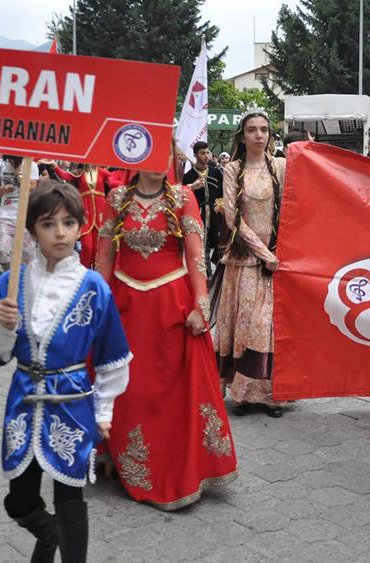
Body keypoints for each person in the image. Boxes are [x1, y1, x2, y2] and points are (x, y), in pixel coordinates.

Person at [0, 180, 131, 563]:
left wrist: (104, 411)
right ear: (32, 230)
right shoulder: (9, 285)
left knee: (69, 495)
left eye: (68, 222)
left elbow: (113, 355)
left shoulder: (94, 287)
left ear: (80, 226)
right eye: (48, 224)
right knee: (19, 499)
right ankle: (47, 536)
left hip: (72, 403)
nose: (60, 232)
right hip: (23, 401)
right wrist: (5, 328)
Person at [97, 167, 238, 511]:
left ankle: (179, 468)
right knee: (131, 387)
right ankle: (126, 460)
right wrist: (96, 304)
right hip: (125, 308)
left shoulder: (182, 197)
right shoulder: (117, 199)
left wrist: (200, 307)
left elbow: (196, 256)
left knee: (174, 391)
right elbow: (104, 257)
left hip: (172, 308)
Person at [216, 111, 286, 418]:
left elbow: (296, 205)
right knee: (245, 325)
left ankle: (271, 394)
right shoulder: (233, 169)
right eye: (252, 130)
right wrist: (264, 254)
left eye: (264, 130)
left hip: (278, 259)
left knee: (268, 326)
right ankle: (243, 395)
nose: (259, 135)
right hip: (245, 260)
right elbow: (233, 218)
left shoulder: (280, 166)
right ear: (242, 136)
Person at [50, 162, 110, 269]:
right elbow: (65, 176)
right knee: (87, 246)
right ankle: (82, 270)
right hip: (86, 212)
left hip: (100, 212)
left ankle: (97, 272)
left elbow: (116, 180)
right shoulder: (79, 172)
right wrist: (55, 166)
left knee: (98, 248)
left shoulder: (102, 172)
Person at [182, 141, 224, 270]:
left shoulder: (216, 173)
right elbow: (183, 196)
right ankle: (204, 271)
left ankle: (214, 270)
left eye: (207, 153)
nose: (206, 156)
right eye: (202, 153)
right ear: (195, 155)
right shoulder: (189, 176)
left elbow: (223, 192)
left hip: (214, 213)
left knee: (215, 243)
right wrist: (192, 187)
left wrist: (221, 207)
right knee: (200, 243)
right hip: (198, 213)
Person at [0, 155, 40, 271]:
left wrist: (19, 174)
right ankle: (9, 275)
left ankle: (24, 278)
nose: (13, 162)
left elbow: (33, 188)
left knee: (28, 256)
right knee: (2, 251)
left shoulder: (31, 165)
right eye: (11, 159)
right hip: (6, 216)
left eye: (16, 160)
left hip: (26, 217)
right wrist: (3, 190)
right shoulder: (0, 166)